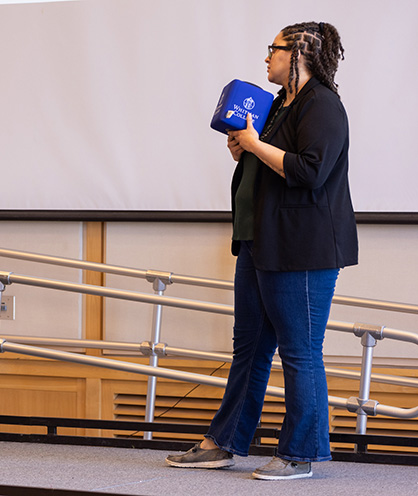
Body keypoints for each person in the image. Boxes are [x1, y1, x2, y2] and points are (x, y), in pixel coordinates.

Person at [166, 21, 357, 480]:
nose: (266, 57)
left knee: (300, 351)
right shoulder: (278, 105)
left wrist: (256, 145)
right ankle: (225, 441)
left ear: (300, 54)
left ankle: (298, 454)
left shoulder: (323, 105)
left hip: (301, 250)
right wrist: (244, 149)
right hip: (259, 242)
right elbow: (266, 158)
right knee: (249, 348)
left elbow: (310, 172)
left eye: (273, 49)